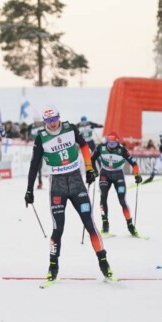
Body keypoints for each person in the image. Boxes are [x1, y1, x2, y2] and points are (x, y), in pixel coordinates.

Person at [24, 106, 113, 282]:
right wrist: (29, 189)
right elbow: (34, 165)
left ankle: (104, 262)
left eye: (54, 119)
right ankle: (53, 266)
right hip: (57, 184)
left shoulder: (70, 128)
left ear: (59, 117)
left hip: (76, 181)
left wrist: (89, 168)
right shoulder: (41, 138)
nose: (52, 123)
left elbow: (85, 145)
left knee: (90, 224)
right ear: (44, 121)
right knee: (58, 229)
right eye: (48, 120)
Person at [91, 131, 142, 237]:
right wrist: (94, 170)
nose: (112, 146)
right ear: (107, 142)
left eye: (114, 144)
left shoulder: (122, 150)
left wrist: (137, 175)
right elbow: (92, 159)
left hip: (118, 175)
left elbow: (134, 164)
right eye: (110, 143)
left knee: (122, 200)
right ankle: (105, 223)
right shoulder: (101, 148)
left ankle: (130, 225)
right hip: (104, 174)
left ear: (118, 142)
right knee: (103, 197)